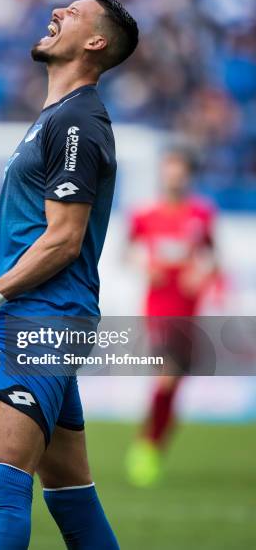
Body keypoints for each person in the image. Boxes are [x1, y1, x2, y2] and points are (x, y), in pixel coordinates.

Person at [0, 0, 138, 549]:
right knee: (71, 494)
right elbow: (46, 234)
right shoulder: (57, 118)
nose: (58, 11)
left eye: (74, 12)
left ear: (95, 42)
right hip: (41, 311)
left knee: (6, 481)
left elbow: (65, 241)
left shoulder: (77, 123)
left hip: (43, 318)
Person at [125, 148, 218, 487]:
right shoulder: (145, 215)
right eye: (169, 170)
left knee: (175, 383)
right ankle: (144, 448)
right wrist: (144, 266)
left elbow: (213, 258)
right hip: (159, 307)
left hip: (189, 308)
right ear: (162, 174)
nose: (174, 176)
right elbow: (127, 253)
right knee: (166, 376)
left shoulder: (202, 214)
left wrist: (203, 274)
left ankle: (152, 444)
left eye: (179, 170)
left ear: (188, 175)